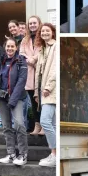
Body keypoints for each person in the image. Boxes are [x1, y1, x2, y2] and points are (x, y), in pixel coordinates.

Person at [0, 38, 28, 166]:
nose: (9, 48)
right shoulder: (1, 61)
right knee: (6, 127)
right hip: (2, 97)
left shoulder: (21, 60)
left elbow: (21, 81)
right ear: (5, 47)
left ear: (16, 47)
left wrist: (13, 100)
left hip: (17, 97)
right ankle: (11, 154)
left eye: (12, 46)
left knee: (19, 124)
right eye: (7, 46)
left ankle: (23, 155)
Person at [34, 23, 56, 167]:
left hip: (51, 91)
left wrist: (48, 87)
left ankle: (54, 154)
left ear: (53, 32)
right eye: (42, 31)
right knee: (53, 123)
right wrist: (37, 91)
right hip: (43, 91)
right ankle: (54, 154)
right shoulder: (42, 49)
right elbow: (38, 73)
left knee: (45, 122)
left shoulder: (55, 46)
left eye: (47, 31)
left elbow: (55, 68)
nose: (45, 33)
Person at [20, 16, 43, 135]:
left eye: (34, 23)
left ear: (39, 23)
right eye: (30, 23)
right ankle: (37, 125)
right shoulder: (25, 40)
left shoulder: (43, 37)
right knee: (34, 103)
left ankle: (44, 126)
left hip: (40, 73)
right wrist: (31, 60)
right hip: (29, 74)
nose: (32, 25)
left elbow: (43, 53)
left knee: (42, 101)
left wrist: (33, 59)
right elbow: (21, 55)